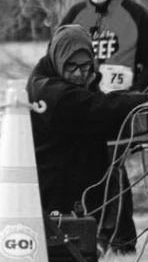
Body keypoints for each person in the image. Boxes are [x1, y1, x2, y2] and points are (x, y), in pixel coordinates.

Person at [60, 0, 148, 253]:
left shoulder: (136, 15)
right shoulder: (75, 15)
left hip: (123, 106)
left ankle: (118, 240)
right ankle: (95, 234)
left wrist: (137, 94)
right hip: (85, 105)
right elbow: (55, 55)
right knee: (85, 161)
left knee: (110, 162)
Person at [28, 24, 148, 243]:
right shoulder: (51, 91)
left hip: (77, 182)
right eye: (71, 66)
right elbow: (99, 108)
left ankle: (117, 243)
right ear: (58, 59)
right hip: (54, 188)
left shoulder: (66, 78)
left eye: (85, 67)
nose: (78, 74)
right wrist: (142, 102)